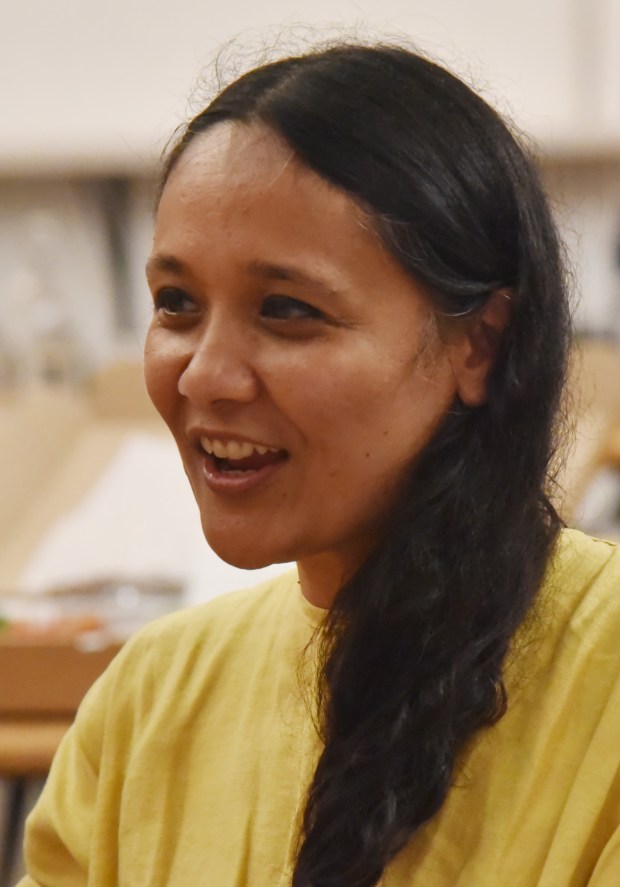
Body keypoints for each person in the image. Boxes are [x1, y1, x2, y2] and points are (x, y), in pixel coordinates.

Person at [18, 43, 620, 887]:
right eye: (176, 303)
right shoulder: (148, 703)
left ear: (480, 344)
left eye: (287, 310)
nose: (204, 375)